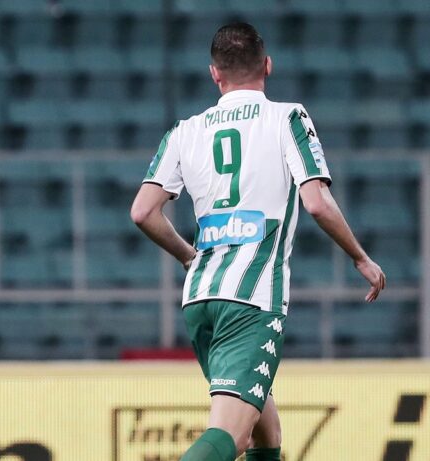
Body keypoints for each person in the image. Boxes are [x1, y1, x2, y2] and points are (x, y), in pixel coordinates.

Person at [130, 23, 385, 461]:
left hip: (200, 298)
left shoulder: (184, 130)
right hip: (251, 300)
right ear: (268, 65)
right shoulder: (287, 117)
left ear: (214, 73)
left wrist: (188, 256)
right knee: (229, 435)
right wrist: (360, 257)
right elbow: (317, 203)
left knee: (266, 435)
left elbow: (142, 211)